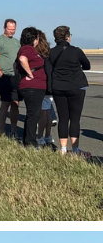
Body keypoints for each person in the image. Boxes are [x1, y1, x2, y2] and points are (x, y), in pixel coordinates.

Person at [47, 25, 92, 155]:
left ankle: (63, 148)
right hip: (76, 86)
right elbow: (87, 65)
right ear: (68, 37)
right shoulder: (76, 51)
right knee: (75, 118)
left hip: (58, 87)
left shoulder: (51, 52)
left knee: (63, 118)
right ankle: (75, 148)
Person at [15, 27, 48, 147]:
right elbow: (22, 59)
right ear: (34, 39)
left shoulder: (27, 49)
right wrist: (30, 73)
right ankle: (30, 142)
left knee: (32, 114)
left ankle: (28, 140)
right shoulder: (28, 49)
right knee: (34, 115)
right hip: (32, 87)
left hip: (34, 87)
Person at [0, 19, 20, 138]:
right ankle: (1, 130)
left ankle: (14, 130)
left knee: (15, 103)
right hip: (5, 77)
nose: (12, 31)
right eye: (9, 29)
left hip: (16, 76)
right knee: (5, 103)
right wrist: (1, 74)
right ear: (4, 28)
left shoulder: (16, 42)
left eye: (13, 29)